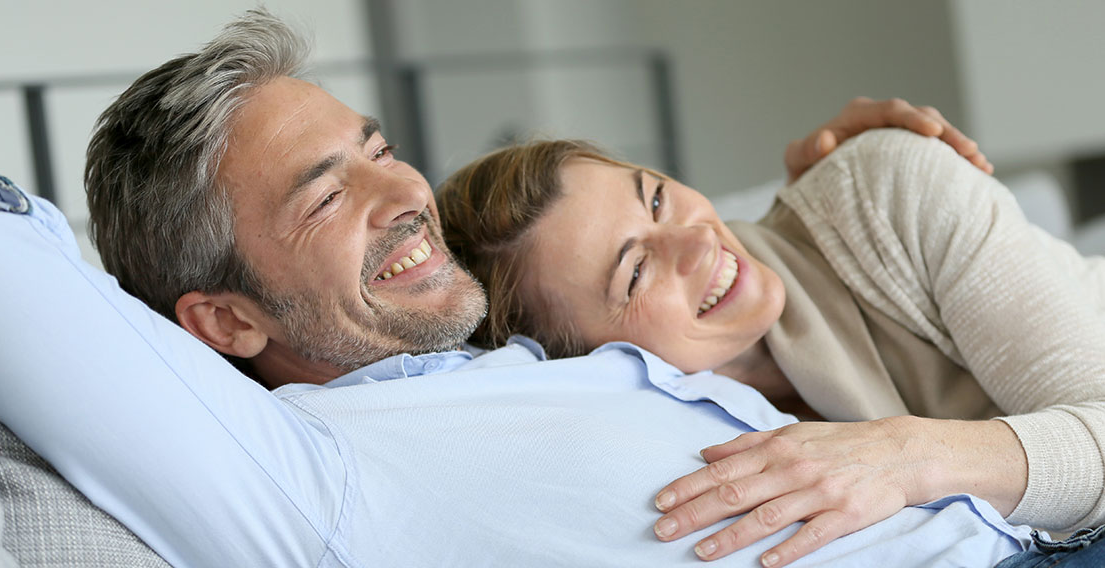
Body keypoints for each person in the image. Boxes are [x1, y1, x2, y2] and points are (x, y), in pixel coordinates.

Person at [0, 9, 1049, 568]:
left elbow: (626, 242)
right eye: (327, 197)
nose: (403, 190)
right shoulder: (304, 474)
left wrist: (825, 205)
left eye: (379, 145)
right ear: (223, 321)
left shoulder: (493, 346)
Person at [434, 128, 1105, 566]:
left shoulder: (885, 192)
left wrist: (906, 453)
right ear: (586, 364)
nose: (699, 241)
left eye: (658, 199)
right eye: (636, 271)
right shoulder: (653, 440)